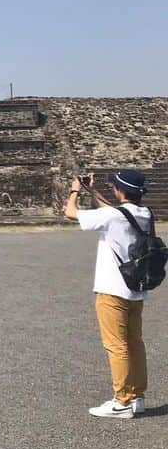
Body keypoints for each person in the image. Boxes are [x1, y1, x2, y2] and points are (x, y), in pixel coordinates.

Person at [64, 170, 152, 419]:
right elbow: (111, 210)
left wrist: (75, 190)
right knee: (135, 343)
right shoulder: (144, 214)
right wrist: (92, 191)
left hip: (112, 289)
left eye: (114, 186)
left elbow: (70, 213)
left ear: (120, 190)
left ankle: (121, 400)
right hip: (135, 289)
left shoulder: (113, 217)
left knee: (116, 345)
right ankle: (136, 396)